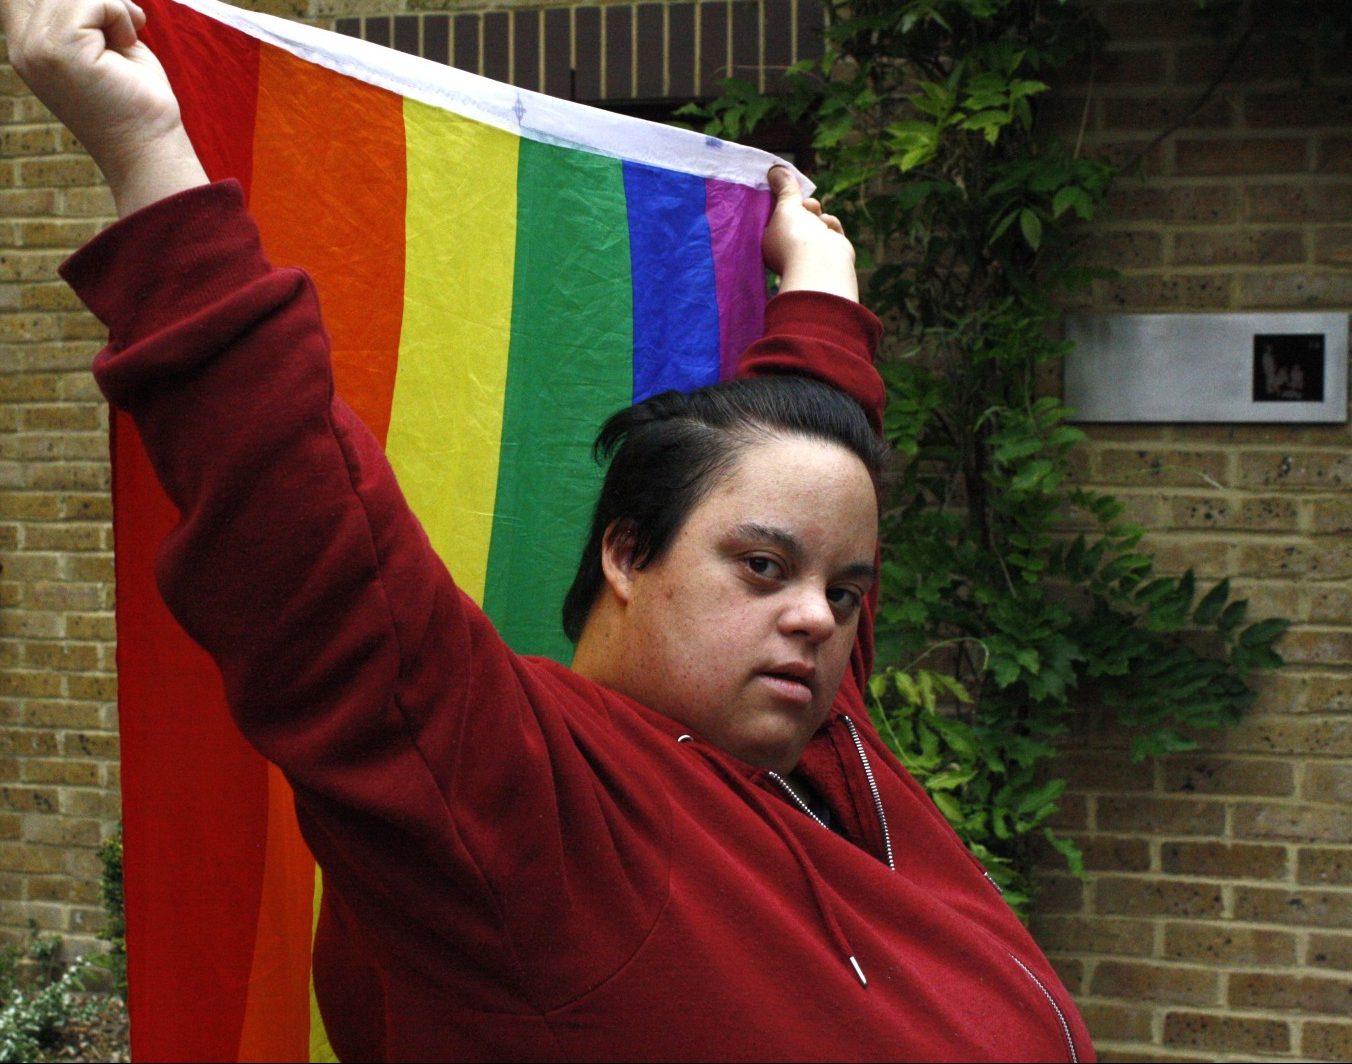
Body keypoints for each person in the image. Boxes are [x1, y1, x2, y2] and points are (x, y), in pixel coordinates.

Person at [4, 1, 1096, 1060]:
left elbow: (806, 477)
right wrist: (147, 152)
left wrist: (821, 291)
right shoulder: (528, 809)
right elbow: (312, 552)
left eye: (844, 589)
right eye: (761, 566)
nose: (818, 618)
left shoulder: (817, 735)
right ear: (624, 550)